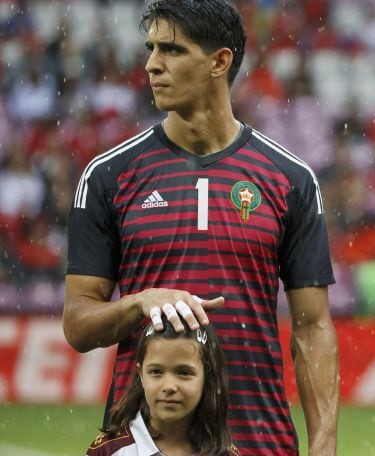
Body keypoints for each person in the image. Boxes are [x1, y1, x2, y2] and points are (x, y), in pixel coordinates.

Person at [63, 1, 339, 454]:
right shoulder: (109, 175)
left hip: (259, 441)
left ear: (220, 61)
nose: (152, 64)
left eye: (171, 49)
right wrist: (138, 304)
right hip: (147, 445)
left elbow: (313, 327)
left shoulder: (289, 178)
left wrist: (324, 445)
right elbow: (77, 323)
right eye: (151, 48)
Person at [86, 316, 240, 456]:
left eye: (184, 373)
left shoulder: (225, 453)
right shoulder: (109, 450)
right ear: (141, 374)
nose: (169, 386)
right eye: (156, 372)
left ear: (207, 376)